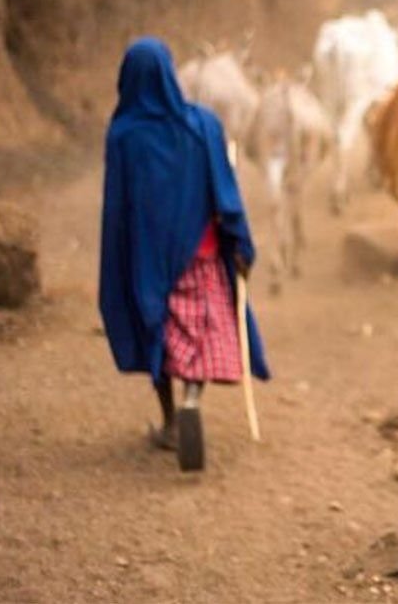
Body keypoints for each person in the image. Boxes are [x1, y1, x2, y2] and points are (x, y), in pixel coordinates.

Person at [98, 37, 270, 472]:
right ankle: (193, 397)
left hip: (148, 263)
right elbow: (225, 194)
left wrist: (120, 263)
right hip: (202, 254)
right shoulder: (204, 126)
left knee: (158, 332)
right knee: (199, 335)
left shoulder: (123, 135)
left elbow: (117, 209)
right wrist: (241, 241)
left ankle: (171, 419)